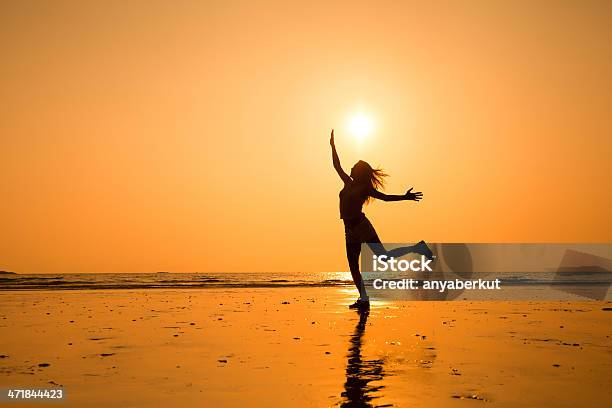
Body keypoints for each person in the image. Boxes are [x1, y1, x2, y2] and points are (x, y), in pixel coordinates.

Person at [330, 129, 433, 308]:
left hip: (362, 227)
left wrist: (404, 197)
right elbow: (336, 165)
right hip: (349, 230)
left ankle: (417, 248)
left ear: (360, 172)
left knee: (383, 257)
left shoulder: (363, 188)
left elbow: (385, 198)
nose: (351, 168)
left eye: (354, 166)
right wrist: (332, 146)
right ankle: (364, 299)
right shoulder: (348, 182)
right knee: (353, 266)